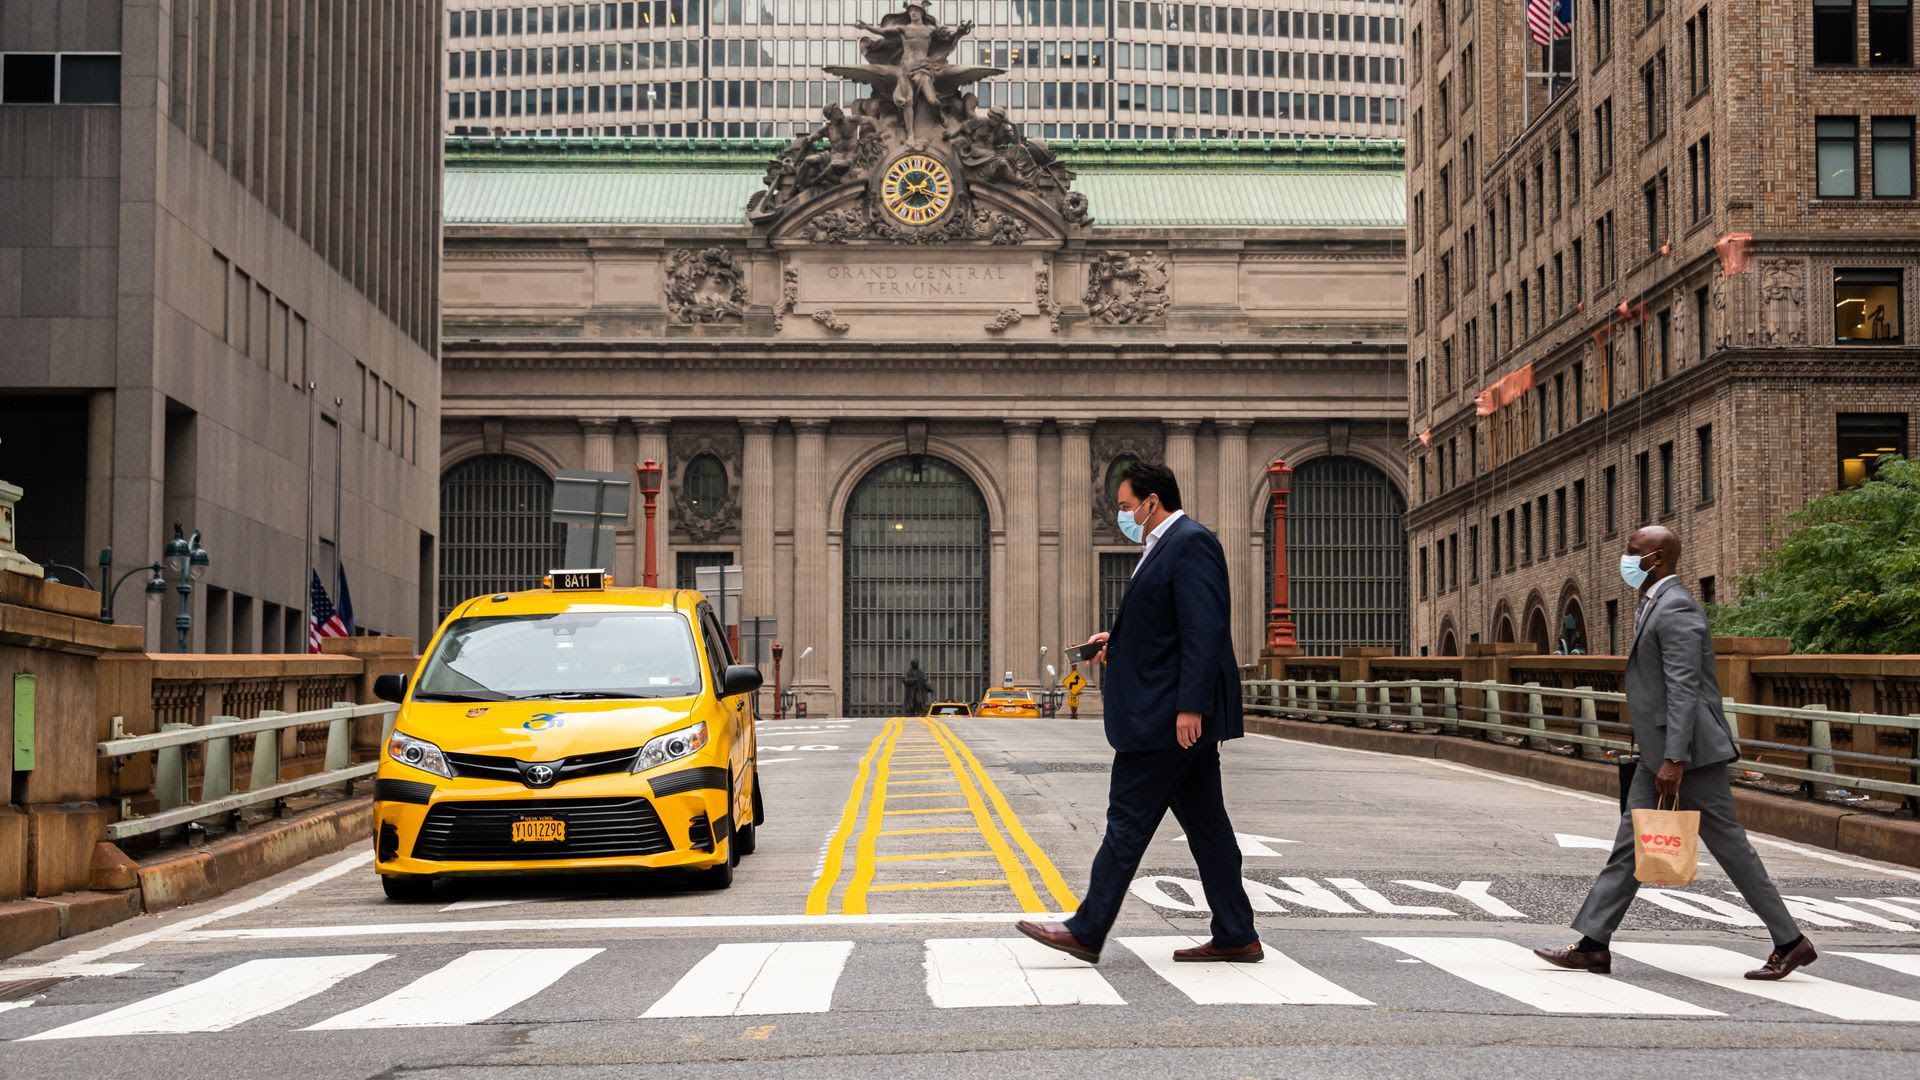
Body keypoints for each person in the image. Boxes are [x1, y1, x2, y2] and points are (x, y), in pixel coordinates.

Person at [1536, 525, 1815, 980]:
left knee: (1730, 848)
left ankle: (1790, 941)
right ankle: (1592, 945)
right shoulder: (1654, 603)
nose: (1625, 560)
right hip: (1662, 750)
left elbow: (1685, 689)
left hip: (1690, 755)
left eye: (1633, 553)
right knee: (1630, 846)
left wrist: (1675, 758)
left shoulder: (1678, 607)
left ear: (1658, 558)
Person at [1017, 460, 1259, 965]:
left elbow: (1203, 630)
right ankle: (1236, 933)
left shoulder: (1190, 542)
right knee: (1209, 829)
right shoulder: (1163, 546)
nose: (1124, 515)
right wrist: (1117, 640)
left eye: (1127, 507)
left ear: (1152, 502)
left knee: (1126, 821)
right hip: (1168, 716)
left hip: (1165, 719)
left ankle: (1087, 928)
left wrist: (1192, 705)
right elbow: (1170, 629)